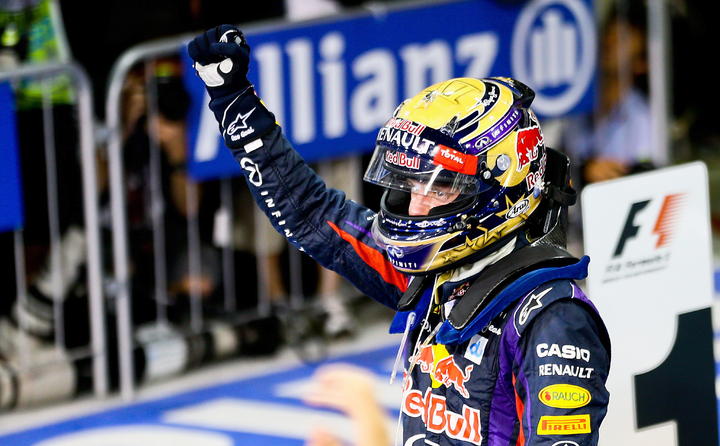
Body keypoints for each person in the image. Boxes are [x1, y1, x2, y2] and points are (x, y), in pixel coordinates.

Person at [188, 25, 611, 445]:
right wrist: (236, 105)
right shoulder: (433, 275)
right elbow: (312, 214)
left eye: (440, 187)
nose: (416, 206)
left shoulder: (553, 320)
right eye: (411, 183)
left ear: (502, 186)